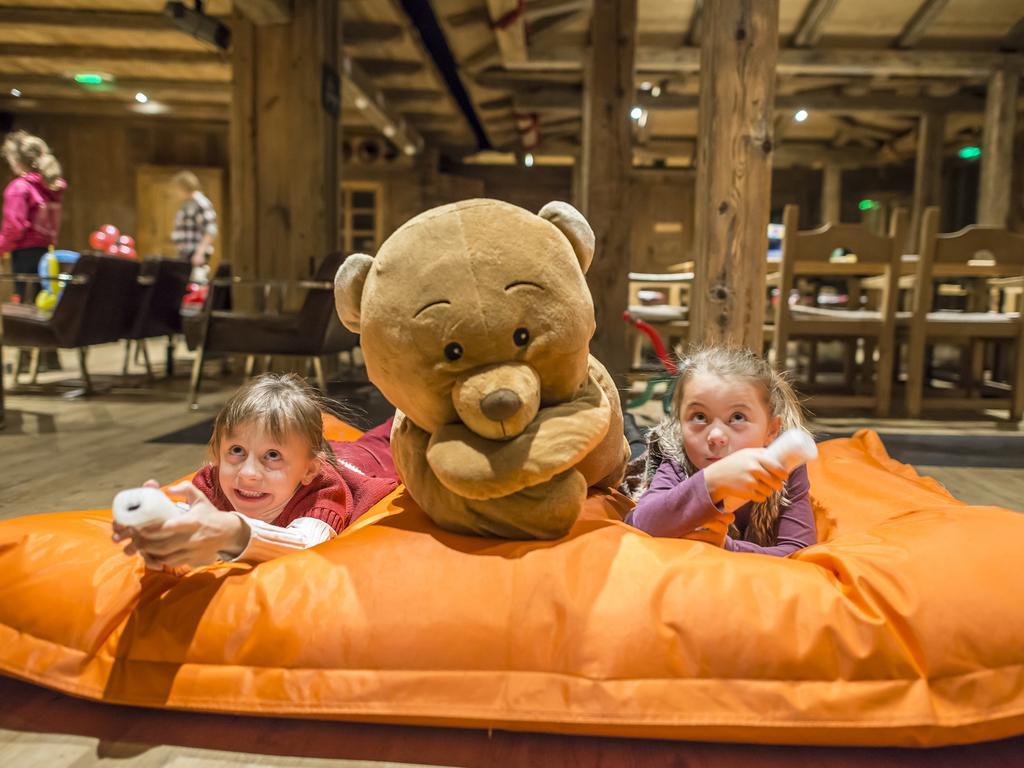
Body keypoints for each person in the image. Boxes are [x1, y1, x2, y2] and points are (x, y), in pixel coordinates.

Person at [112, 373, 399, 568]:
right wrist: (158, 526)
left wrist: (231, 533)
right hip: (336, 450)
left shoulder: (322, 496)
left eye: (271, 456)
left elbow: (306, 544)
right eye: (236, 451)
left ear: (309, 470)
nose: (248, 473)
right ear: (216, 453)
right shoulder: (211, 485)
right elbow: (188, 523)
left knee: (399, 428)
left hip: (372, 461)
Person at [626, 345, 816, 557]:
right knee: (634, 449)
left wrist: (728, 547)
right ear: (680, 422)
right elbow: (639, 522)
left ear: (771, 429)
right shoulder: (678, 458)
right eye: (699, 416)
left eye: (737, 417)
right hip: (641, 465)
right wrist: (712, 481)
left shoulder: (786, 469)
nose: (716, 435)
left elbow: (800, 550)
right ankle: (628, 424)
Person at [0, 130, 66, 304]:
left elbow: (14, 227)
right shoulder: (50, 187)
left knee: (24, 307)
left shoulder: (19, 188)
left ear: (16, 161)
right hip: (46, 254)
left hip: (24, 257)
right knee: (42, 304)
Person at [169, 170, 217, 273]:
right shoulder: (187, 204)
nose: (176, 193)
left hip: (195, 253)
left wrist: (199, 253)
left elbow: (211, 230)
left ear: (184, 187)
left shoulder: (200, 203)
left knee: (196, 285)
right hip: (185, 253)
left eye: (177, 189)